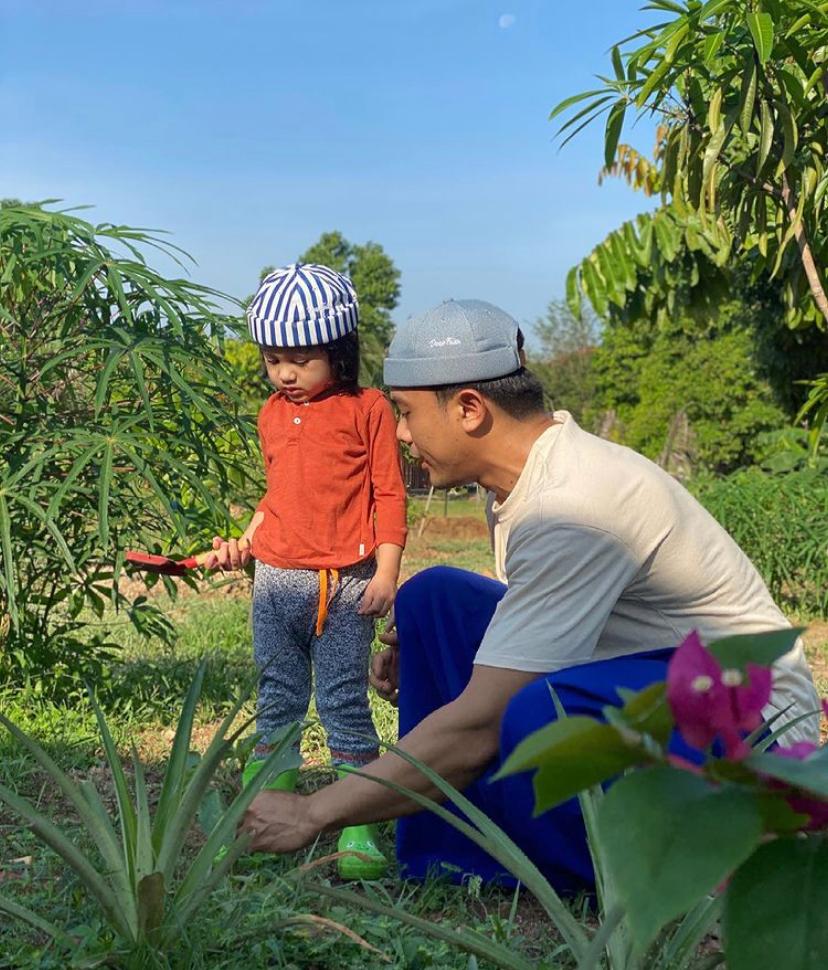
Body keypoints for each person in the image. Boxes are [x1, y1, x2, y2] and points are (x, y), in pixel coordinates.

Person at [239, 298, 820, 892]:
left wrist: (315, 811)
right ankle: (459, 847)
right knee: (433, 599)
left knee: (533, 710)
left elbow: (482, 724)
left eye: (408, 414)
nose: (404, 434)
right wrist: (432, 645)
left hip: (748, 734)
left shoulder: (573, 505)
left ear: (468, 408)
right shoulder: (523, 480)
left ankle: (684, 863)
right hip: (657, 679)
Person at [208, 263, 407, 880]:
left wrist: (386, 573)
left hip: (344, 589)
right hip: (274, 585)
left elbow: (390, 496)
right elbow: (276, 498)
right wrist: (244, 542)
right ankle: (257, 821)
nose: (285, 373)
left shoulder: (367, 409)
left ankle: (359, 833)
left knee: (344, 702)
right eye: (273, 359)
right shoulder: (270, 413)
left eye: (300, 359)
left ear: (339, 351)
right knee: (277, 702)